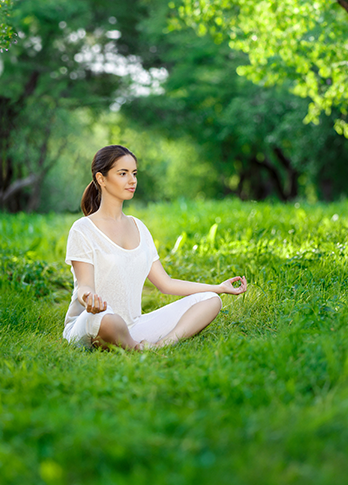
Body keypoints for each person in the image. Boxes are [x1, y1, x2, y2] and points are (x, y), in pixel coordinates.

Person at [63, 145, 248, 350]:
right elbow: (84, 286)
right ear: (101, 179)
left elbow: (166, 283)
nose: (132, 180)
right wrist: (89, 299)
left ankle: (159, 345)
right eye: (122, 174)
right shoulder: (83, 229)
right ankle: (136, 347)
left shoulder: (139, 227)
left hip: (133, 326)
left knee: (211, 301)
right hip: (91, 322)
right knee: (107, 319)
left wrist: (219, 288)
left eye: (134, 173)